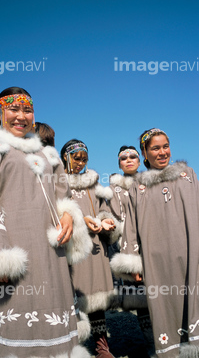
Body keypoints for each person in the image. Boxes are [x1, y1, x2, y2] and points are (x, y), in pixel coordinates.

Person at [0, 87, 93, 358]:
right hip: (15, 247)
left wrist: (68, 213)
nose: (21, 116)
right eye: (14, 109)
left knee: (56, 309)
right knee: (17, 312)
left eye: (27, 110)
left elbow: (62, 193)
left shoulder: (46, 154)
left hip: (51, 250)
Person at [112, 128, 199, 358]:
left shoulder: (187, 174)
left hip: (192, 253)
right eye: (155, 148)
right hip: (156, 260)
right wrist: (133, 264)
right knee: (163, 305)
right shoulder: (138, 187)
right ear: (145, 152)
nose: (162, 152)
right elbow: (130, 225)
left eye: (165, 146)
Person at [60, 139, 122, 358]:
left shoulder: (94, 184)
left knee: (96, 298)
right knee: (69, 299)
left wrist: (107, 222)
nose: (80, 163)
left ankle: (101, 347)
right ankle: (69, 348)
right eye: (76, 158)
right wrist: (82, 220)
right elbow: (53, 214)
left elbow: (104, 210)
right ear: (65, 157)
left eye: (84, 159)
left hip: (95, 248)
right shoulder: (57, 182)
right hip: (69, 249)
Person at [107, 146, 153, 357]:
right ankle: (153, 345)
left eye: (133, 156)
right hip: (133, 248)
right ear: (119, 164)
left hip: (157, 245)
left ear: (140, 159)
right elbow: (118, 221)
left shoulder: (153, 181)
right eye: (123, 158)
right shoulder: (115, 189)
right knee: (143, 299)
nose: (128, 160)